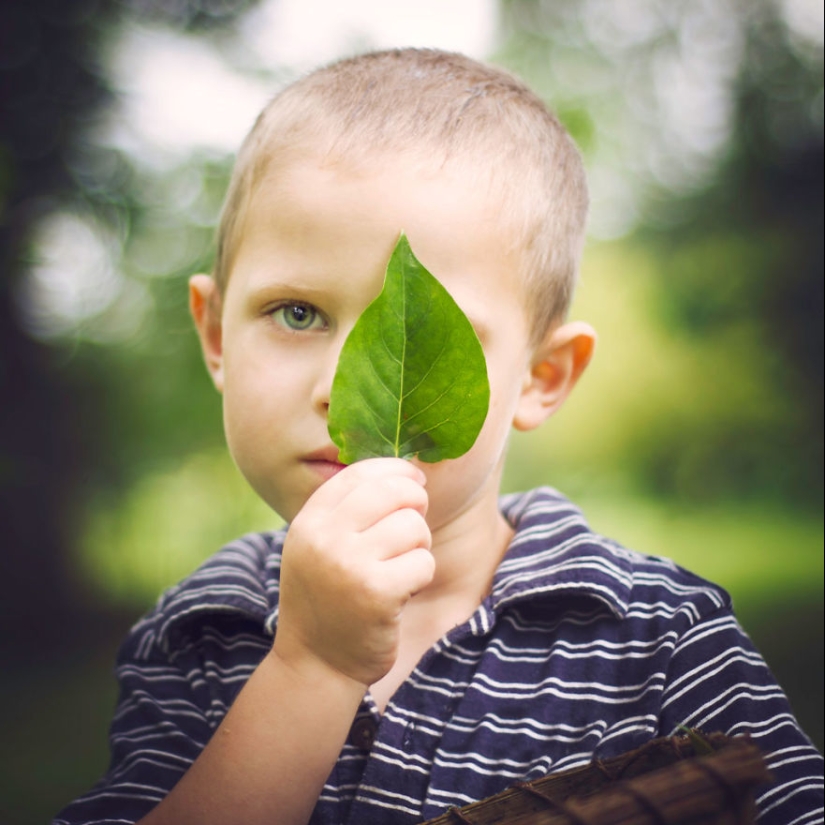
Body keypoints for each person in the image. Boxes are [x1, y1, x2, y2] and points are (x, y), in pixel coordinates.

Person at [54, 48, 823, 825]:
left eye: (427, 338)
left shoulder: (657, 631)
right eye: (296, 312)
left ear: (540, 376)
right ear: (216, 334)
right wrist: (309, 664)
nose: (341, 386)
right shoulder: (197, 630)